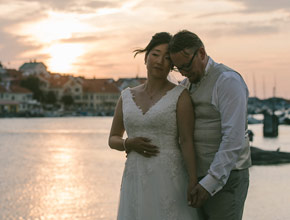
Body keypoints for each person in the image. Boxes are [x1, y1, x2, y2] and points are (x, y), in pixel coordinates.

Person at [108, 32, 200, 220]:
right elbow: (113, 139)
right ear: (146, 57)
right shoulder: (126, 96)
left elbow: (186, 140)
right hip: (135, 174)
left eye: (167, 58)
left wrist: (193, 179)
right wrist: (128, 144)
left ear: (172, 65)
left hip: (169, 176)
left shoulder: (180, 96)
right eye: (155, 54)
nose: (159, 61)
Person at [169, 30, 252, 220]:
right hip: (195, 180)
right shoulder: (185, 85)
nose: (183, 72)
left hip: (226, 180)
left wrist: (210, 183)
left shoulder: (228, 81)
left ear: (201, 53)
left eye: (186, 65)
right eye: (178, 68)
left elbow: (233, 138)